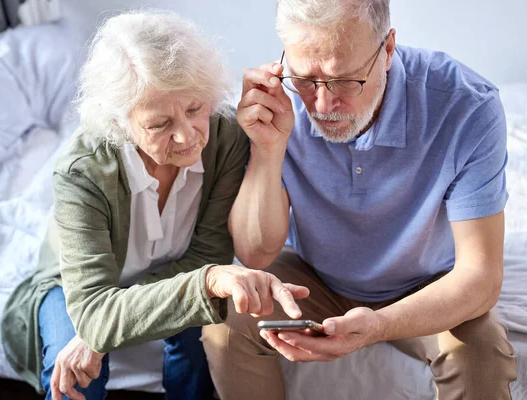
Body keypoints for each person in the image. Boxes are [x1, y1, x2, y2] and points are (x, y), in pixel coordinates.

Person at [201, 1, 518, 399]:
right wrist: (267, 148)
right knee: (227, 317)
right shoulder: (273, 103)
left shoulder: (467, 105)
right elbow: (256, 253)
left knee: (482, 357)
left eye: (345, 81)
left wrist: (379, 324)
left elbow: (481, 278)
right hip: (314, 277)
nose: (321, 105)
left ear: (387, 50)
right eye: (304, 79)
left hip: (430, 283)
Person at [1, 11, 309, 400]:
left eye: (195, 109)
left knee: (201, 347)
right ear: (119, 122)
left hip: (180, 270)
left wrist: (117, 320)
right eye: (159, 124)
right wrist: (98, 328)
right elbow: (93, 311)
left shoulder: (225, 136)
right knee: (75, 374)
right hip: (78, 288)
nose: (186, 135)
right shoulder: (82, 171)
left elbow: (207, 255)